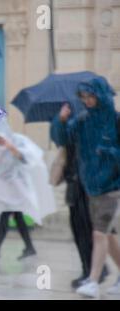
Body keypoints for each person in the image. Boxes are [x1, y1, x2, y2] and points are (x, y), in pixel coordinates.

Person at [51, 76, 120, 298]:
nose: (88, 101)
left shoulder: (116, 120)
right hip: (91, 187)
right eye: (85, 97)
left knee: (98, 234)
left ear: (101, 95)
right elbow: (63, 138)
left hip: (113, 187)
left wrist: (110, 153)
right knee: (107, 237)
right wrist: (60, 121)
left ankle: (92, 281)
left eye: (91, 96)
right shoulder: (82, 120)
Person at [0, 120, 56, 261]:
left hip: (17, 187)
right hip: (4, 189)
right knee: (17, 216)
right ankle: (28, 247)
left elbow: (29, 159)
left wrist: (12, 148)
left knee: (7, 214)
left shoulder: (17, 141)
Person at [50, 119, 109, 289]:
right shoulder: (68, 135)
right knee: (78, 232)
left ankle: (94, 271)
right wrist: (60, 121)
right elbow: (57, 138)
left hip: (88, 190)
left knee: (89, 232)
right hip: (74, 188)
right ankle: (89, 270)